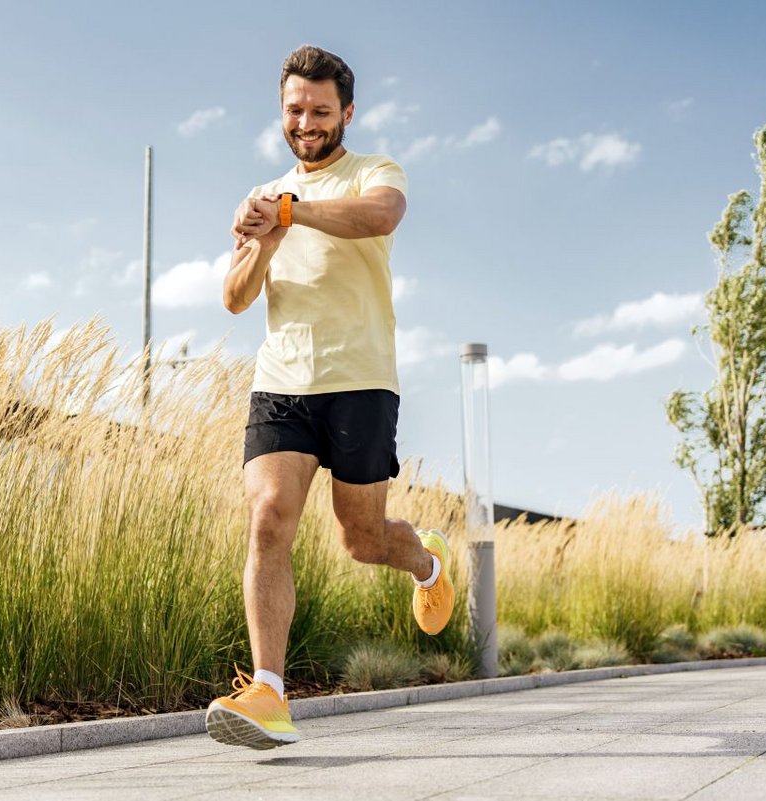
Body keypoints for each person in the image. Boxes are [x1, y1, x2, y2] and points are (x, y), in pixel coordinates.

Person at [204, 45, 454, 750]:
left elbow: (379, 218)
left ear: (346, 111)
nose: (306, 122)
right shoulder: (264, 194)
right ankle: (269, 693)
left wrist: (294, 211)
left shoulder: (375, 173)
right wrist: (265, 238)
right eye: (294, 110)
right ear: (281, 112)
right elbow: (233, 298)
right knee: (268, 516)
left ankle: (426, 560)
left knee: (359, 537)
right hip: (283, 381)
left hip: (362, 379)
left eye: (319, 110)